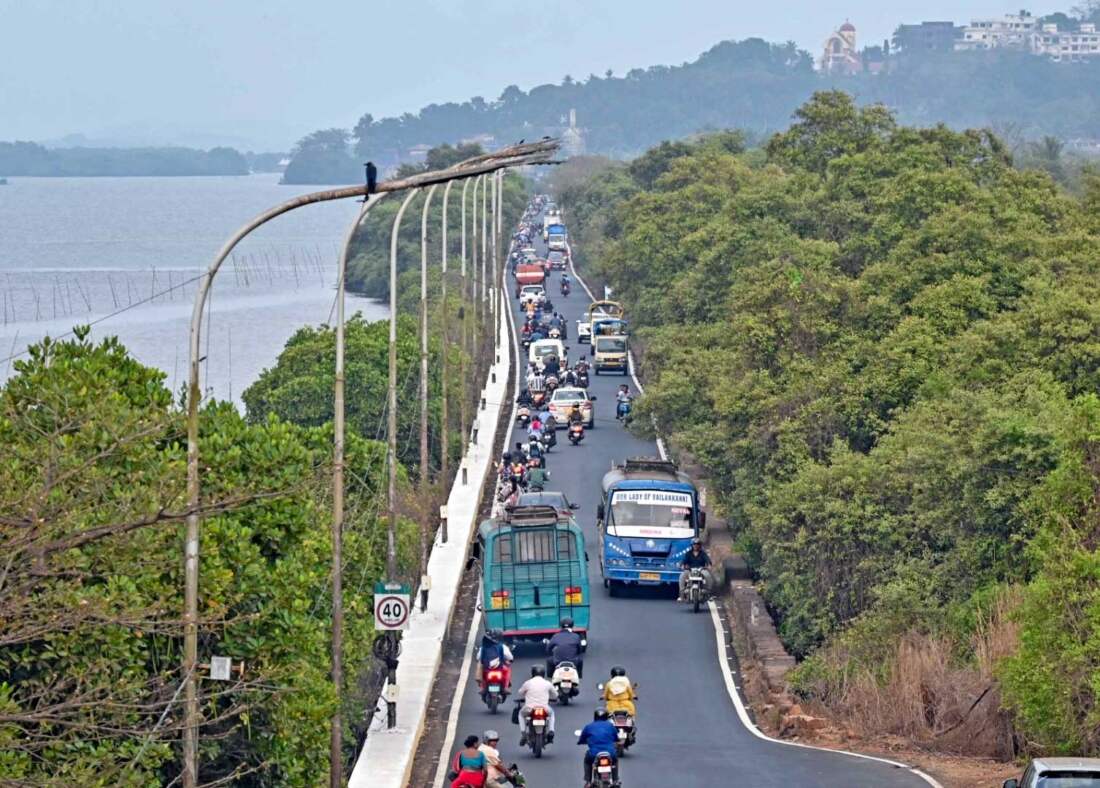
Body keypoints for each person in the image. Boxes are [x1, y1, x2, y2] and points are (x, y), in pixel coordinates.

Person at [577, 709, 619, 785]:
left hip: (594, 754)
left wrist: (580, 742)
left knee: (587, 761)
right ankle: (615, 780)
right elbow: (616, 738)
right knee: (615, 761)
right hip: (610, 753)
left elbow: (581, 739)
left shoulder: (589, 727)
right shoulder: (610, 726)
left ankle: (588, 781)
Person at [517, 665, 558, 743]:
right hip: (544, 708)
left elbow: (520, 693)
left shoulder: (528, 683)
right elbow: (555, 695)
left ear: (532, 673)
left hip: (529, 708)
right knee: (552, 714)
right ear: (543, 674)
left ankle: (523, 734)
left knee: (520, 714)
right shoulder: (547, 683)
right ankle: (551, 730)